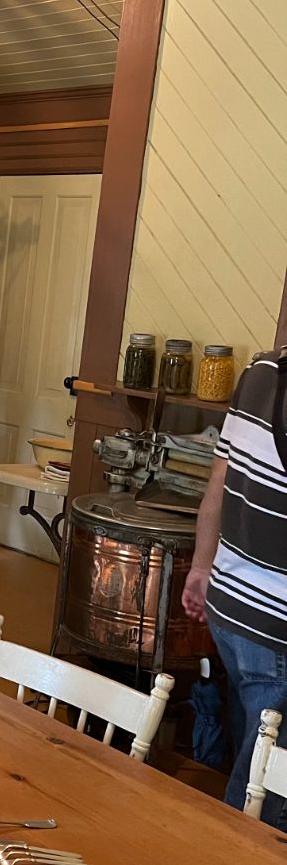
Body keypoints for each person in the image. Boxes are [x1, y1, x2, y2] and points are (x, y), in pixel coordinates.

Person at [183, 349, 287, 830]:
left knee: (253, 747)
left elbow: (220, 479)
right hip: (276, 624)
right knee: (266, 786)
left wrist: (202, 567)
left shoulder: (261, 369)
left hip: (231, 600)